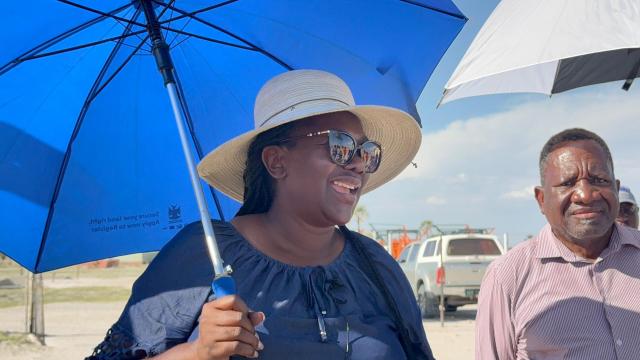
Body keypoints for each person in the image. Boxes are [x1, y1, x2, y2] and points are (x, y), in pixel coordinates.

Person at [88, 70, 434, 359]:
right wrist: (197, 353)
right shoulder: (205, 255)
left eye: (367, 152)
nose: (359, 163)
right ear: (276, 162)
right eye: (340, 146)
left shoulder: (373, 264)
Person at [476, 128, 640, 359]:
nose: (585, 194)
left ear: (615, 186)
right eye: (567, 183)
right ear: (541, 199)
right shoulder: (508, 276)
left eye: (599, 180)